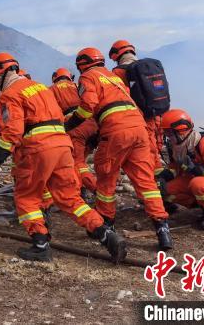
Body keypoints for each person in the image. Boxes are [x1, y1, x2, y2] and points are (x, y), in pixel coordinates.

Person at [0, 53, 126, 262]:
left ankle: (40, 245)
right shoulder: (41, 87)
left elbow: (13, 131)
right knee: (70, 198)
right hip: (62, 145)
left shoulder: (9, 94)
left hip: (37, 148)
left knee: (27, 198)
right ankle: (106, 234)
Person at [65, 48, 173, 250]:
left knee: (106, 177)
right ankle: (162, 229)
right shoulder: (113, 77)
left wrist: (70, 124)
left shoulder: (88, 76)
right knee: (146, 182)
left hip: (117, 130)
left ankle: (107, 221)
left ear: (82, 65)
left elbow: (88, 105)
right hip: (139, 129)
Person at [108, 40, 166, 178]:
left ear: (116, 55)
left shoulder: (119, 71)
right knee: (154, 145)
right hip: (157, 112)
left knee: (146, 147)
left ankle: (154, 180)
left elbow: (118, 95)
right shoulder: (149, 67)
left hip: (138, 115)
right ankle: (158, 175)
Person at [50, 68, 98, 194]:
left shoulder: (52, 89)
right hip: (93, 124)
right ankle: (81, 188)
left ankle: (96, 189)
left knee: (77, 163)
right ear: (69, 77)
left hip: (75, 126)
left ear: (55, 78)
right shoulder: (77, 85)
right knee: (81, 160)